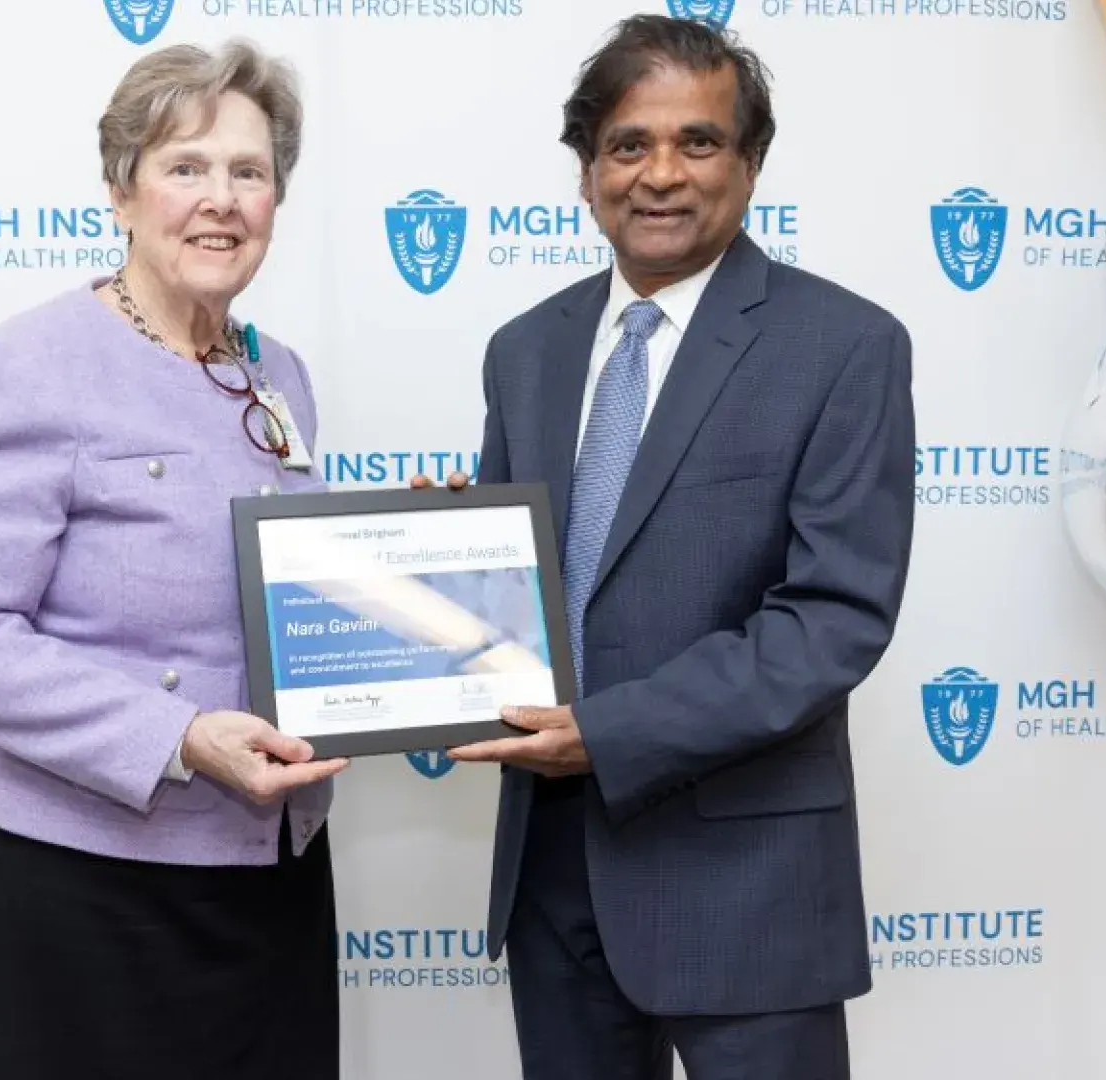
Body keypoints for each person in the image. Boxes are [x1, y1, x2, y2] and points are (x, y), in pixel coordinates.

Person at [443, 15, 916, 1080]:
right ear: (586, 171)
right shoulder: (525, 351)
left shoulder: (846, 348)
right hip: (556, 880)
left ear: (750, 167)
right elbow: (512, 597)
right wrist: (434, 556)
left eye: (698, 142)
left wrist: (608, 734)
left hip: (745, 887)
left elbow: (830, 623)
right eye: (627, 145)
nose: (659, 174)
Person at [0, 39, 346, 1080]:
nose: (220, 200)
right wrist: (178, 734)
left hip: (264, 872)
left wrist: (410, 584)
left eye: (250, 171)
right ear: (120, 190)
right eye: (185, 167)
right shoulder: (33, 363)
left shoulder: (281, 376)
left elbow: (271, 596)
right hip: (71, 885)